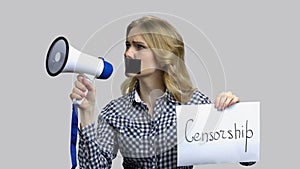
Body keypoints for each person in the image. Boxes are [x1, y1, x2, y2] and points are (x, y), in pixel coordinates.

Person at [70, 15, 240, 169]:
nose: (127, 53)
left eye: (139, 46)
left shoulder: (192, 103)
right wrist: (86, 113)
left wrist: (231, 113)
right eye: (128, 45)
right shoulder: (114, 112)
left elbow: (246, 157)